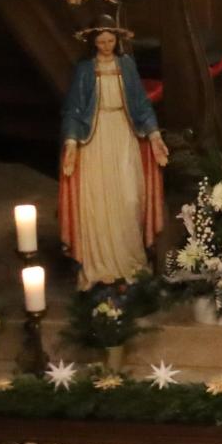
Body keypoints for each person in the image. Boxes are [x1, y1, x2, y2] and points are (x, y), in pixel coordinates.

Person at [58, 25, 167, 287]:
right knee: (96, 200)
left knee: (128, 197)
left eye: (110, 41)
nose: (106, 46)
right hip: (94, 139)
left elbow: (141, 103)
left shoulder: (126, 65)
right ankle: (98, 263)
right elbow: (73, 109)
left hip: (123, 134)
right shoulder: (85, 69)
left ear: (117, 41)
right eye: (101, 41)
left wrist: (154, 135)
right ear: (94, 43)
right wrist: (72, 142)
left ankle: (131, 258)